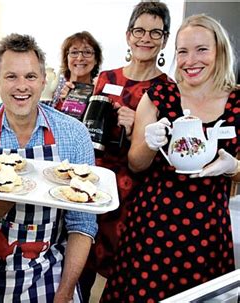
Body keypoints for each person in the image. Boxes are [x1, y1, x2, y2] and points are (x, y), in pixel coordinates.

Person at [103, 14, 239, 302]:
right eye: (183, 51)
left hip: (207, 229)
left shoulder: (237, 103)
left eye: (202, 49)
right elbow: (136, 163)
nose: (191, 60)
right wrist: (150, 143)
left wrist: (233, 167)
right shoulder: (158, 95)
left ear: (220, 51)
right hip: (152, 223)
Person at [0, 33, 97, 302]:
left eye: (30, 77)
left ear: (43, 80)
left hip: (52, 268)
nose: (22, 86)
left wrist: (65, 292)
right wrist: (15, 189)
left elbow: (82, 224)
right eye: (11, 77)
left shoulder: (74, 134)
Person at [78, 2, 171, 301]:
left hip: (135, 191)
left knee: (123, 271)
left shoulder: (167, 88)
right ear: (129, 35)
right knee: (81, 260)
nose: (146, 38)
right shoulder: (107, 77)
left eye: (155, 32)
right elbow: (89, 127)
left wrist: (137, 129)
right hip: (96, 183)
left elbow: (162, 150)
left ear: (165, 39)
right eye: (139, 30)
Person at [49, 31, 103, 117]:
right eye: (74, 53)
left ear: (96, 59)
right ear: (66, 58)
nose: (80, 58)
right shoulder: (53, 87)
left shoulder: (99, 93)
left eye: (87, 52)